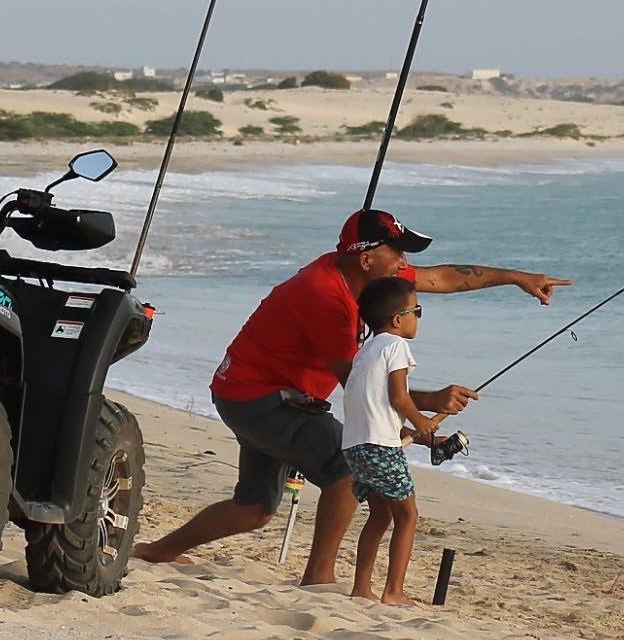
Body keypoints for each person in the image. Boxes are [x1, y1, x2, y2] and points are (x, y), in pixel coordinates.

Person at [133, 207, 571, 585]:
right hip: (263, 398)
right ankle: (319, 577)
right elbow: (360, 386)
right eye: (397, 254)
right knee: (346, 466)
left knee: (254, 509)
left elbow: (443, 277)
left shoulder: (369, 274)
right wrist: (427, 404)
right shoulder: (326, 296)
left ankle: (159, 550)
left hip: (248, 393)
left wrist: (517, 278)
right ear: (366, 258)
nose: (405, 264)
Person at [343, 276, 438, 606]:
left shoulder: (364, 353)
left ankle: (361, 587)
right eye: (417, 311)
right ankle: (394, 591)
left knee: (380, 515)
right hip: (379, 448)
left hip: (355, 446)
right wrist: (422, 422)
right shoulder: (396, 346)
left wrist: (412, 433)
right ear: (398, 319)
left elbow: (373, 405)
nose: (418, 318)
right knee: (407, 515)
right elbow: (399, 397)